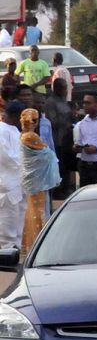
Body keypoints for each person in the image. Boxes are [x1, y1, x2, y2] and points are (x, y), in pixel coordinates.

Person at [43, 78, 75, 197]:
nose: (66, 90)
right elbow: (53, 122)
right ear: (56, 88)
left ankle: (67, 187)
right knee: (60, 166)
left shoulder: (64, 100)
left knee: (67, 165)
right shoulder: (51, 102)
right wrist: (68, 116)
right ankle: (59, 190)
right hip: (58, 139)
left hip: (67, 138)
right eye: (63, 88)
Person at [0, 102, 23, 250]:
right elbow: (6, 156)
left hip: (18, 183)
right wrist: (26, 160)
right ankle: (6, 252)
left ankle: (15, 249)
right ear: (15, 116)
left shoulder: (15, 130)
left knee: (17, 219)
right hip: (6, 183)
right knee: (7, 220)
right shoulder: (2, 130)